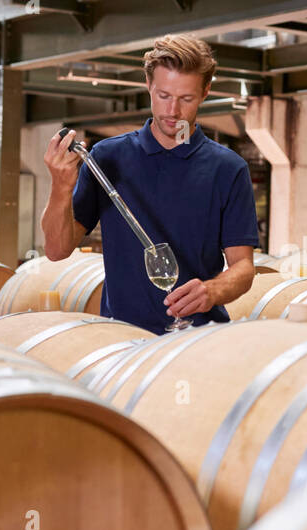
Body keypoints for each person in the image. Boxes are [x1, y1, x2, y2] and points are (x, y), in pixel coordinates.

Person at [40, 34, 258, 333]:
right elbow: (56, 249)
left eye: (186, 98)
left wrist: (212, 291)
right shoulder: (106, 157)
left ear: (206, 91)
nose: (173, 112)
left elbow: (243, 268)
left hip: (198, 338)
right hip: (123, 340)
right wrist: (60, 186)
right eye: (164, 95)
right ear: (148, 85)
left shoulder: (228, 169)